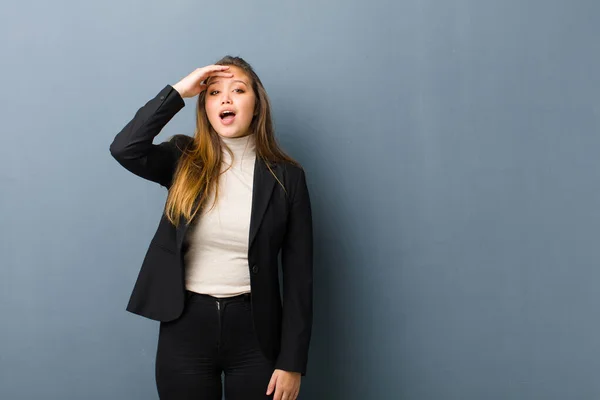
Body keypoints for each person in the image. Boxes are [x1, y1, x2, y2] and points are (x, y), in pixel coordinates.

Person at [109, 56, 313, 400]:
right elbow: (125, 148)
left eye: (238, 90)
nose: (226, 99)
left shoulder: (287, 178)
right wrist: (178, 91)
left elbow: (299, 277)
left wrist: (292, 362)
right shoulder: (183, 159)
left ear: (257, 105)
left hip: (257, 335)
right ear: (204, 108)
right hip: (185, 328)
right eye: (214, 92)